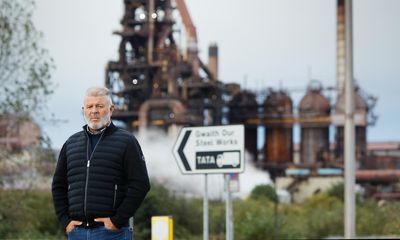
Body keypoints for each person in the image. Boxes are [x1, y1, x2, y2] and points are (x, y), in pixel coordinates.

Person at [52, 86, 150, 240]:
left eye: (99, 106)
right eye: (89, 106)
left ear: (111, 109)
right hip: (77, 233)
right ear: (83, 110)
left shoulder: (126, 141)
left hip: (112, 233)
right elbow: (58, 185)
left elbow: (141, 184)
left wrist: (117, 221)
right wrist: (65, 221)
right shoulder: (71, 143)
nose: (94, 111)